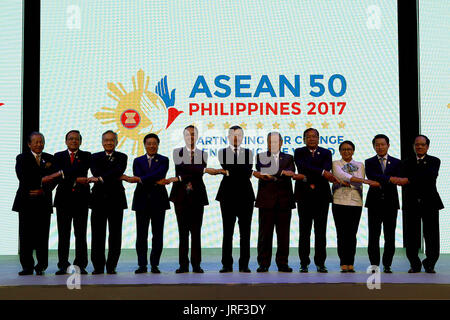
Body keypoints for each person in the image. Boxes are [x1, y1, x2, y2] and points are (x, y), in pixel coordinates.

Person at [168, 125, 220, 273]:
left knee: (196, 233)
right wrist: (203, 170)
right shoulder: (177, 152)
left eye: (193, 134)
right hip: (180, 196)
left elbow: (193, 173)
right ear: (183, 136)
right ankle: (183, 265)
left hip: (197, 197)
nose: (190, 137)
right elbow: (185, 168)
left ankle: (196, 264)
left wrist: (199, 170)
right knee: (182, 233)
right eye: (187, 135)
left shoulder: (203, 154)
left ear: (197, 136)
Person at [13, 132, 57, 275]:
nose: (39, 144)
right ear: (29, 144)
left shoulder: (50, 158)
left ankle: (41, 265)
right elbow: (23, 177)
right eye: (36, 142)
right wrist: (40, 181)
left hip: (43, 201)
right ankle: (27, 266)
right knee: (25, 235)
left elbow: (54, 179)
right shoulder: (22, 158)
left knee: (42, 235)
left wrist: (42, 190)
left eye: (41, 142)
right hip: (26, 201)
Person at [332, 141, 379, 273]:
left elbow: (356, 182)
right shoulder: (335, 164)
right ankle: (343, 262)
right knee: (341, 234)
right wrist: (362, 181)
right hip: (339, 201)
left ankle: (350, 262)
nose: (346, 152)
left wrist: (347, 182)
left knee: (352, 234)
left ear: (353, 151)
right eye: (344, 149)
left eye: (349, 149)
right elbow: (340, 175)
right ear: (340, 151)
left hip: (355, 202)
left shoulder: (359, 165)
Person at [294, 128, 337, 273]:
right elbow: (302, 167)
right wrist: (321, 173)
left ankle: (320, 263)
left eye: (314, 136)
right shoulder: (299, 152)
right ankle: (304, 263)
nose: (311, 139)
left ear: (319, 138)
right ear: (304, 139)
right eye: (308, 137)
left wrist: (312, 176)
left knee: (320, 231)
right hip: (304, 196)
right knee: (304, 231)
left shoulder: (326, 153)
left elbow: (326, 169)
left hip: (321, 197)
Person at [253, 132, 296, 273]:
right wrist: (282, 173)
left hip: (284, 201)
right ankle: (263, 263)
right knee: (265, 235)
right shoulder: (261, 156)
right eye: (271, 141)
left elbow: (290, 172)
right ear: (267, 142)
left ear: (282, 143)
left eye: (277, 141)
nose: (274, 144)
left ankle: (282, 263)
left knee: (283, 235)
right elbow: (265, 171)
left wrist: (279, 173)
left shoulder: (289, 157)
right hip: (266, 201)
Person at [128, 133, 170, 274]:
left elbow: (159, 173)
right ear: (144, 145)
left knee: (157, 235)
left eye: (154, 143)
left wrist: (141, 179)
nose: (152, 146)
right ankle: (142, 265)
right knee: (141, 235)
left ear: (158, 144)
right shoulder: (137, 160)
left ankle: (154, 264)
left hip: (159, 201)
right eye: (149, 143)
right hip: (141, 201)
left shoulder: (164, 159)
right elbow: (141, 175)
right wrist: (150, 180)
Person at [216, 125, 255, 273]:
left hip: (246, 196)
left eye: (239, 134)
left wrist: (229, 172)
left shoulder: (248, 153)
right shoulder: (222, 152)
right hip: (227, 195)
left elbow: (245, 170)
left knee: (245, 232)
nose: (236, 137)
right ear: (228, 137)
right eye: (233, 134)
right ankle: (227, 264)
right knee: (228, 232)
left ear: (243, 136)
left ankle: (244, 264)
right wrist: (242, 171)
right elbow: (239, 169)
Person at [403, 135, 444, 273]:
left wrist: (408, 180)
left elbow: (430, 177)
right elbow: (416, 177)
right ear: (413, 146)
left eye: (422, 144)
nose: (419, 147)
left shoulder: (434, 161)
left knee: (432, 235)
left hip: (430, 202)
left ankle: (430, 263)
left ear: (427, 146)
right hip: (411, 203)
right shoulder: (406, 162)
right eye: (417, 144)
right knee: (412, 236)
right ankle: (414, 264)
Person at [53, 130, 91, 275]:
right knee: (63, 234)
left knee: (80, 234)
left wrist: (64, 174)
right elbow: (59, 174)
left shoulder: (87, 155)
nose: (74, 141)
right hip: (63, 200)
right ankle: (63, 265)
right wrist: (75, 179)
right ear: (66, 141)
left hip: (81, 200)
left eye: (76, 139)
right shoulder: (58, 156)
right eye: (71, 139)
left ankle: (80, 264)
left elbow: (77, 170)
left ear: (80, 141)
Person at [89, 130, 128, 274]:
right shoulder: (94, 157)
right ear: (102, 142)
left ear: (117, 142)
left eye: (112, 140)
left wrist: (100, 178)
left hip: (116, 200)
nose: (109, 142)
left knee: (115, 235)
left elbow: (118, 171)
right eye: (106, 140)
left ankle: (112, 266)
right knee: (97, 234)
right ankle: (98, 266)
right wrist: (105, 175)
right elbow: (95, 171)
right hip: (98, 200)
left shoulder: (122, 156)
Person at [365, 134, 405, 273]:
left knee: (390, 235)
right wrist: (390, 179)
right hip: (374, 203)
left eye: (383, 144)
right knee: (373, 235)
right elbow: (372, 176)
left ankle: (387, 264)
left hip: (391, 203)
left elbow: (398, 178)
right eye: (377, 145)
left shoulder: (397, 162)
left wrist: (389, 179)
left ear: (388, 145)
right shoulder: (369, 162)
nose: (380, 147)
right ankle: (374, 264)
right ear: (374, 146)